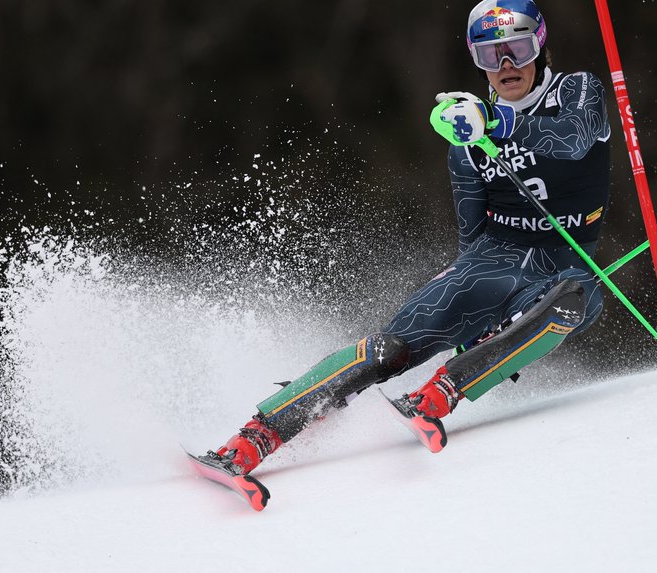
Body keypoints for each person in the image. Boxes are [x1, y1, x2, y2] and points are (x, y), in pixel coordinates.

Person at [205, 0, 611, 475]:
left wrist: (496, 124)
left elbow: (574, 138)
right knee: (390, 349)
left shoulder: (576, 91)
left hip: (562, 262)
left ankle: (439, 393)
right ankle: (253, 439)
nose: (505, 67)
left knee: (574, 300)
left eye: (517, 50)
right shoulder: (465, 130)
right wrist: (473, 307)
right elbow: (472, 228)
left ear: (539, 46)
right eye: (489, 56)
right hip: (492, 259)